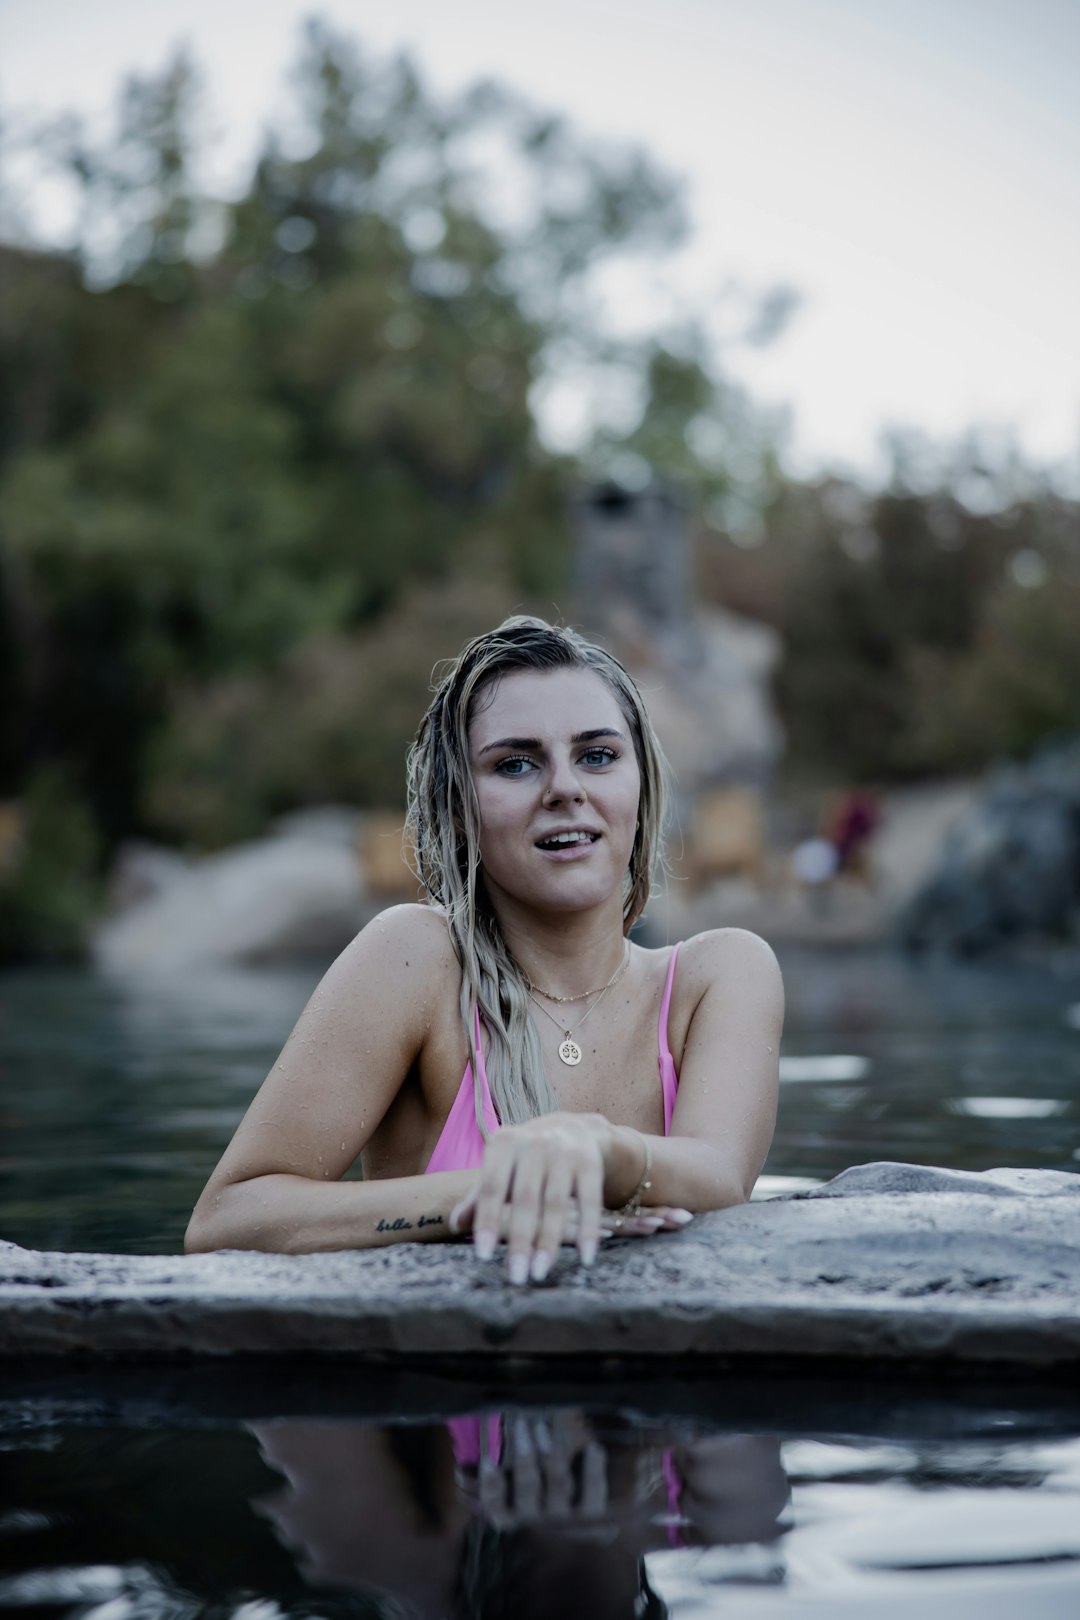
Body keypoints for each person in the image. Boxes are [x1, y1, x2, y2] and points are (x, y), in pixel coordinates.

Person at [185, 616, 783, 1282]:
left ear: (640, 791)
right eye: (516, 764)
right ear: (461, 807)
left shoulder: (719, 975)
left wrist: (598, 1155)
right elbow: (226, 1222)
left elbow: (722, 1173)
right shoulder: (413, 962)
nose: (564, 788)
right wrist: (484, 1197)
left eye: (598, 755)